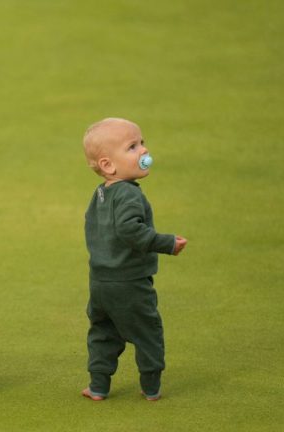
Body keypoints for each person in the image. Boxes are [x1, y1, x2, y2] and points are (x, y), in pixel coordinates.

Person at [80, 118, 187, 401]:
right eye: (132, 147)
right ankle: (151, 387)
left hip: (100, 283)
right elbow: (131, 231)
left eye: (141, 142)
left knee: (103, 333)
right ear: (108, 165)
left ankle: (98, 385)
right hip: (129, 283)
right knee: (147, 332)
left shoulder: (100, 194)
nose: (143, 151)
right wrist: (167, 243)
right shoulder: (128, 194)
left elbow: (91, 226)